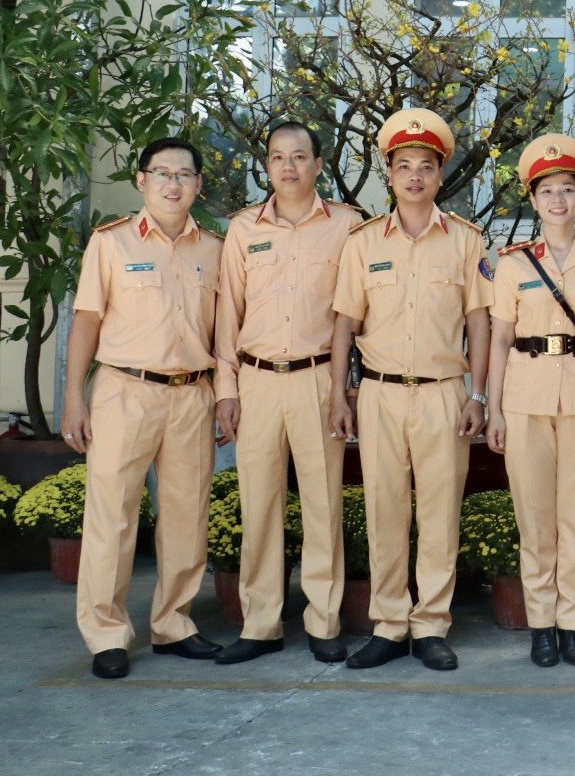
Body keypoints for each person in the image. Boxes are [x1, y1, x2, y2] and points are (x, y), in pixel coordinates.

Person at [329, 108, 492, 672]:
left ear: (440, 174)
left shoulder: (466, 241)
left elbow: (479, 323)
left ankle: (431, 625)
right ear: (390, 174)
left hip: (445, 393)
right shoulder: (363, 242)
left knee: (441, 512)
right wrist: (338, 394)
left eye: (426, 166)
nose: (415, 176)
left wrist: (478, 395)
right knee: (385, 509)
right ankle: (390, 624)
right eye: (404, 166)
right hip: (379, 394)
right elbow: (345, 324)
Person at [61, 137, 224, 680]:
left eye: (184, 174)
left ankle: (174, 625)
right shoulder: (111, 243)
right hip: (125, 391)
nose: (173, 184)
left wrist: (226, 395)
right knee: (112, 516)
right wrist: (73, 398)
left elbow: (225, 330)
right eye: (162, 173)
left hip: (192, 394)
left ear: (198, 184)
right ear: (141, 180)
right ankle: (106, 634)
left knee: (186, 515)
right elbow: (86, 319)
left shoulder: (215, 249)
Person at [213, 121, 362, 666]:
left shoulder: (347, 226)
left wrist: (347, 389)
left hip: (319, 380)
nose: (289, 167)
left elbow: (356, 312)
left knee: (323, 503)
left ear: (318, 164)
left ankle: (324, 621)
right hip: (255, 381)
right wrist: (226, 390)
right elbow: (227, 314)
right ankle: (261, 624)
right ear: (267, 165)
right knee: (258, 505)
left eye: (299, 156)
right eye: (278, 157)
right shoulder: (242, 229)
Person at [486, 134, 575, 669]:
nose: (557, 200)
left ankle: (573, 625)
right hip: (525, 398)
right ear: (533, 200)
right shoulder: (513, 264)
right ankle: (541, 625)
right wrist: (493, 409)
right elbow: (498, 339)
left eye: (567, 189)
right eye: (547, 191)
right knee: (535, 520)